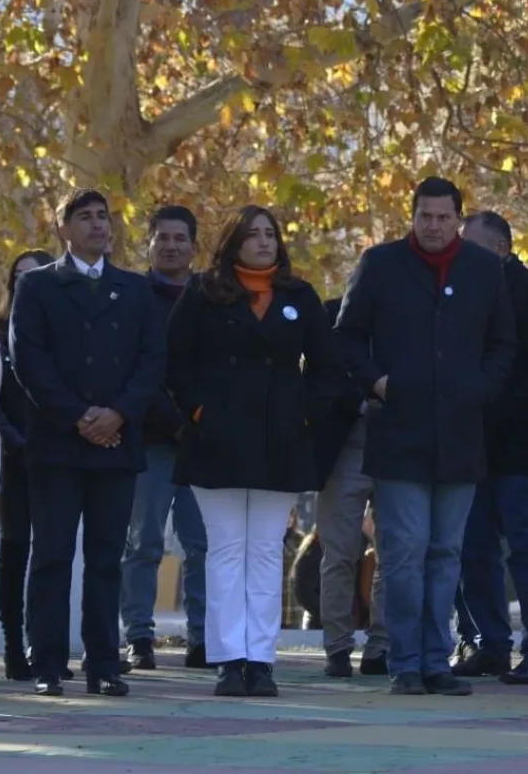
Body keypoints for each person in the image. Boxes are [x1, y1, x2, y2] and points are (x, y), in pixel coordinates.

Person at [334, 176, 516, 697]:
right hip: (400, 434)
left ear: (458, 219)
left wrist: (480, 388)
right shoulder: (380, 264)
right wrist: (378, 382)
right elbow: (346, 337)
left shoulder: (483, 269)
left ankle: (437, 662)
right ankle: (405, 663)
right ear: (411, 216)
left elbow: (503, 344)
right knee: (404, 552)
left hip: (460, 435)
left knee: (445, 553)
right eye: (424, 216)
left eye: (443, 217)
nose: (433, 226)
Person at [166, 204, 342, 697]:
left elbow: (328, 369)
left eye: (270, 233)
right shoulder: (203, 292)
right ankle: (229, 660)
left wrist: (303, 417)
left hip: (280, 442)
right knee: (225, 551)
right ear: (233, 242)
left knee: (265, 552)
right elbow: (175, 362)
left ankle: (260, 661)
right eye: (253, 234)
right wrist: (199, 413)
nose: (265, 242)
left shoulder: (298, 295)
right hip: (216, 442)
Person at [10, 188, 165, 698]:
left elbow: (151, 361)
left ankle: (103, 663)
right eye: (85, 217)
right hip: (58, 442)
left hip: (116, 444)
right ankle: (48, 663)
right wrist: (78, 417)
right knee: (52, 556)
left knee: (105, 559)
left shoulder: (134, 289)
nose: (98, 225)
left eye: (103, 216)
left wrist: (118, 413)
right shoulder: (37, 285)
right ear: (64, 228)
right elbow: (28, 359)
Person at [453, 211, 528, 684]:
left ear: (501, 248)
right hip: (470, 446)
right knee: (473, 549)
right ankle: (489, 644)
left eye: (471, 245)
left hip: (521, 448)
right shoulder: (458, 291)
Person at [121, 205, 208, 671]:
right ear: (149, 244)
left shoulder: (211, 297)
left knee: (203, 546)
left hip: (202, 444)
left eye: (180, 238)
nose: (171, 246)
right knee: (143, 544)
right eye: (163, 238)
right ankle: (138, 635)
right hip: (149, 440)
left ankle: (203, 638)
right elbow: (137, 370)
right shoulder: (131, 296)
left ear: (194, 246)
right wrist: (174, 421)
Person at [314, 295, 389, 678]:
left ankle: (382, 646)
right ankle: (338, 646)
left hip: (395, 444)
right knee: (338, 553)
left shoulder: (406, 312)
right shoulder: (329, 314)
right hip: (343, 445)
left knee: (394, 553)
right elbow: (316, 378)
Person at [0, 248, 55, 681]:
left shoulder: (64, 331)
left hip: (57, 458)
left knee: (52, 555)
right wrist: (16, 444)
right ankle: (13, 645)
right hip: (13, 461)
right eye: (19, 277)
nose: (26, 283)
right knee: (15, 551)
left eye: (36, 275)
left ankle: (46, 646)